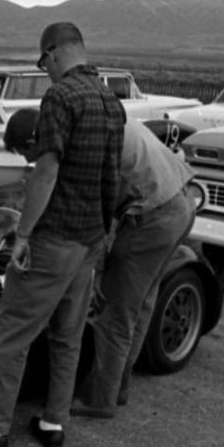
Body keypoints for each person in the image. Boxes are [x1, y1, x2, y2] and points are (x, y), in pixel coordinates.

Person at [0, 22, 125, 447]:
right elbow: (111, 177)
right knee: (67, 335)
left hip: (55, 237)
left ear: (55, 52)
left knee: (10, 334)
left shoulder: (61, 97)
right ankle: (52, 423)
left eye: (44, 61)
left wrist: (22, 234)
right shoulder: (111, 101)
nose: (46, 70)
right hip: (88, 240)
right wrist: (102, 235)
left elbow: (46, 169)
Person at [70, 116, 197, 417]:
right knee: (140, 305)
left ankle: (99, 399)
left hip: (153, 217)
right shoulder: (117, 119)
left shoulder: (91, 140)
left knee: (114, 312)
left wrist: (95, 272)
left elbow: (97, 214)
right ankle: (118, 387)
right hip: (181, 204)